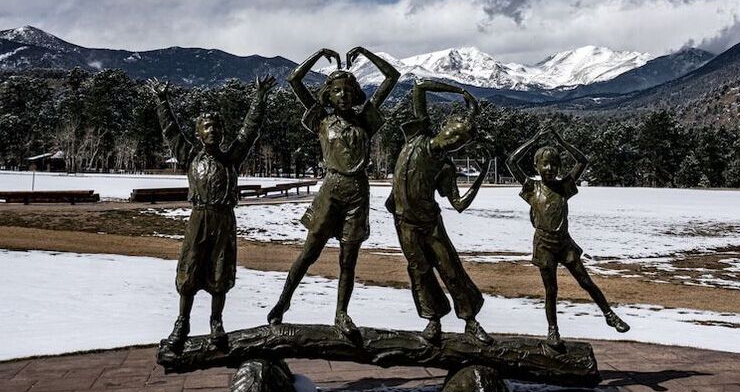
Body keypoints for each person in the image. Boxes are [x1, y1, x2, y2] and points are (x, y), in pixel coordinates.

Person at [267, 46, 399, 337]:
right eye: (337, 90)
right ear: (328, 94)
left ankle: (341, 314)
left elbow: (392, 76)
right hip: (330, 191)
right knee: (309, 253)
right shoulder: (321, 120)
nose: (343, 95)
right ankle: (282, 303)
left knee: (348, 260)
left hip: (357, 194)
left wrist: (365, 53)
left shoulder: (365, 119)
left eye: (348, 90)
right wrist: (317, 54)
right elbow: (294, 80)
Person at [149, 75, 275, 351]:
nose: (213, 131)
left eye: (217, 127)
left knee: (221, 270)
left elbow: (250, 129)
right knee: (189, 268)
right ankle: (182, 322)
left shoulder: (231, 158)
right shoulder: (189, 155)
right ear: (199, 133)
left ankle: (216, 322)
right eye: (207, 127)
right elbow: (171, 130)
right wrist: (162, 101)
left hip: (223, 219)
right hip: (199, 218)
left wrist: (259, 97)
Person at [385, 79, 493, 346]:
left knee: (450, 269)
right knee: (419, 270)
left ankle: (470, 321)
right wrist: (460, 90)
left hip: (430, 224)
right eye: (454, 133)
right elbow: (419, 87)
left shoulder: (445, 167)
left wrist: (481, 175)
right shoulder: (417, 134)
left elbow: (458, 204)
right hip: (404, 222)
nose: (455, 142)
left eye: (461, 142)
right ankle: (433, 320)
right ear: (444, 126)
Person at [506, 125, 630, 351]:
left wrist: (561, 141)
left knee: (585, 281)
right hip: (544, 245)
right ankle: (552, 330)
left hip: (564, 243)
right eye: (545, 164)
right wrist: (534, 139)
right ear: (536, 166)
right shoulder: (532, 188)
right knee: (551, 290)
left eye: (554, 163)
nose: (550, 168)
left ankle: (609, 314)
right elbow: (511, 162)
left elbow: (582, 161)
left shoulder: (564, 187)